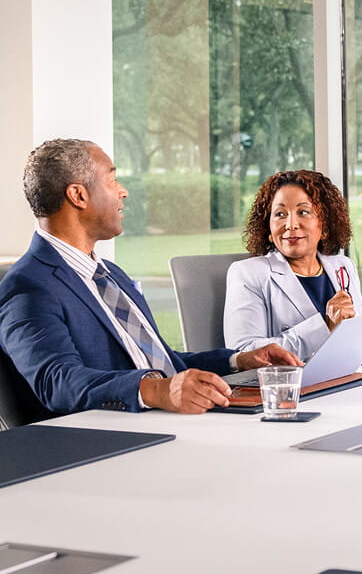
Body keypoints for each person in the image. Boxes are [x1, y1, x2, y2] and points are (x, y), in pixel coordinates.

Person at [0, 139, 302, 416]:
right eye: (112, 179)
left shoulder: (109, 275)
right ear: (78, 195)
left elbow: (162, 363)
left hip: (170, 423)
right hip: (111, 444)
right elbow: (58, 382)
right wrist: (157, 390)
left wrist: (239, 360)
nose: (123, 191)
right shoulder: (28, 287)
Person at [224, 170, 362, 360]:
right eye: (280, 214)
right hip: (287, 384)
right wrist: (325, 325)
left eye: (303, 212)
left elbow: (359, 338)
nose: (291, 224)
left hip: (345, 375)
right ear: (269, 230)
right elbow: (244, 352)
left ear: (325, 226)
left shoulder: (343, 266)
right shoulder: (247, 274)